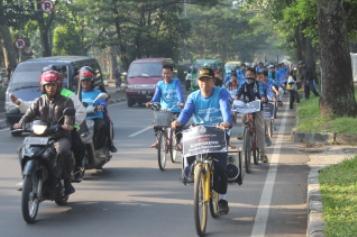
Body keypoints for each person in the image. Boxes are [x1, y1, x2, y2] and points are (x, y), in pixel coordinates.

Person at [171, 67, 232, 214]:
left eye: (207, 80)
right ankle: (191, 175)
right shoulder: (193, 96)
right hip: (198, 134)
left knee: (220, 167)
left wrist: (226, 122)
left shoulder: (221, 93)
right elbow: (186, 112)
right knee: (189, 156)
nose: (204, 83)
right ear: (198, 82)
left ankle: (222, 199)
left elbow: (225, 110)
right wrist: (178, 122)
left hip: (218, 133)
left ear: (213, 81)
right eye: (202, 80)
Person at [11, 65, 87, 182]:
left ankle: (72, 175)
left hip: (62, 131)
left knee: (74, 147)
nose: (50, 87)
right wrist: (20, 119)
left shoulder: (68, 97)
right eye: (47, 84)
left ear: (58, 82)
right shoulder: (40, 99)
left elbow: (79, 112)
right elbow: (30, 111)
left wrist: (70, 125)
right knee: (22, 149)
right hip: (43, 131)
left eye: (53, 84)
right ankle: (27, 177)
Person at [145, 63, 185, 148]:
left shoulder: (176, 82)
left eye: (168, 73)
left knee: (178, 125)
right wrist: (151, 102)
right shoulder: (160, 84)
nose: (166, 75)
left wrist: (181, 102)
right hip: (164, 110)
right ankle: (158, 140)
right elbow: (156, 96)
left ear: (172, 73)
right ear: (162, 74)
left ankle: (178, 143)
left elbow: (179, 94)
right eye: (164, 73)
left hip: (176, 109)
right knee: (157, 124)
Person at [79, 66, 117, 153]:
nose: (85, 83)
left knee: (102, 125)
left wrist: (101, 106)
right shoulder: (77, 93)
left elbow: (103, 100)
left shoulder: (97, 92)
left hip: (95, 117)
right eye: (83, 80)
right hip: (82, 119)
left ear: (91, 81)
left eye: (87, 80)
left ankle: (104, 146)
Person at [236, 67, 268, 163]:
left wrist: (262, 98)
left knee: (260, 130)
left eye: (250, 75)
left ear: (255, 76)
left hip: (257, 108)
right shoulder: (243, 85)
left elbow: (262, 94)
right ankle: (246, 137)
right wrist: (235, 99)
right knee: (242, 121)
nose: (248, 77)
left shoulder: (259, 85)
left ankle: (262, 154)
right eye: (247, 75)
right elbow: (237, 95)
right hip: (246, 108)